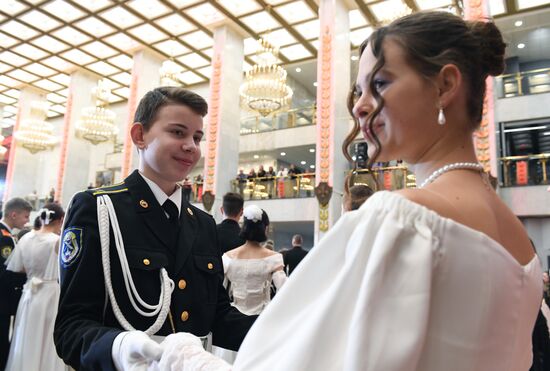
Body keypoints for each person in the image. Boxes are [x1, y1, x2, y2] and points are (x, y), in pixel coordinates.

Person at [142, 12, 542, 371]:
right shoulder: (520, 242)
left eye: (380, 83)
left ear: (446, 85)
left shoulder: (400, 218)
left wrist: (181, 355)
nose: (360, 107)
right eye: (358, 91)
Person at [54, 87, 255, 370]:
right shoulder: (99, 209)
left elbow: (218, 316)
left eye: (197, 137)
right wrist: (120, 347)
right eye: (177, 132)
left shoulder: (203, 224)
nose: (191, 146)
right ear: (140, 136)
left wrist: (282, 329)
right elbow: (70, 328)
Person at [213, 205, 286, 364]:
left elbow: (219, 291)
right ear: (265, 228)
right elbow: (284, 290)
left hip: (233, 321)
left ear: (243, 226)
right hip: (261, 321)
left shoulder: (228, 257)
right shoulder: (273, 258)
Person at [5, 203, 66, 371]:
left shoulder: (26, 238)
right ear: (61, 220)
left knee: (26, 335)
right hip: (50, 293)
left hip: (29, 293)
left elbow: (19, 267)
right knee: (46, 338)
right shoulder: (56, 242)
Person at [0, 197, 31, 370]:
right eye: (25, 217)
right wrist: (27, 279)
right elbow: (5, 272)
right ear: (13, 214)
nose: (27, 221)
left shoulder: (7, 235)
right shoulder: (4, 238)